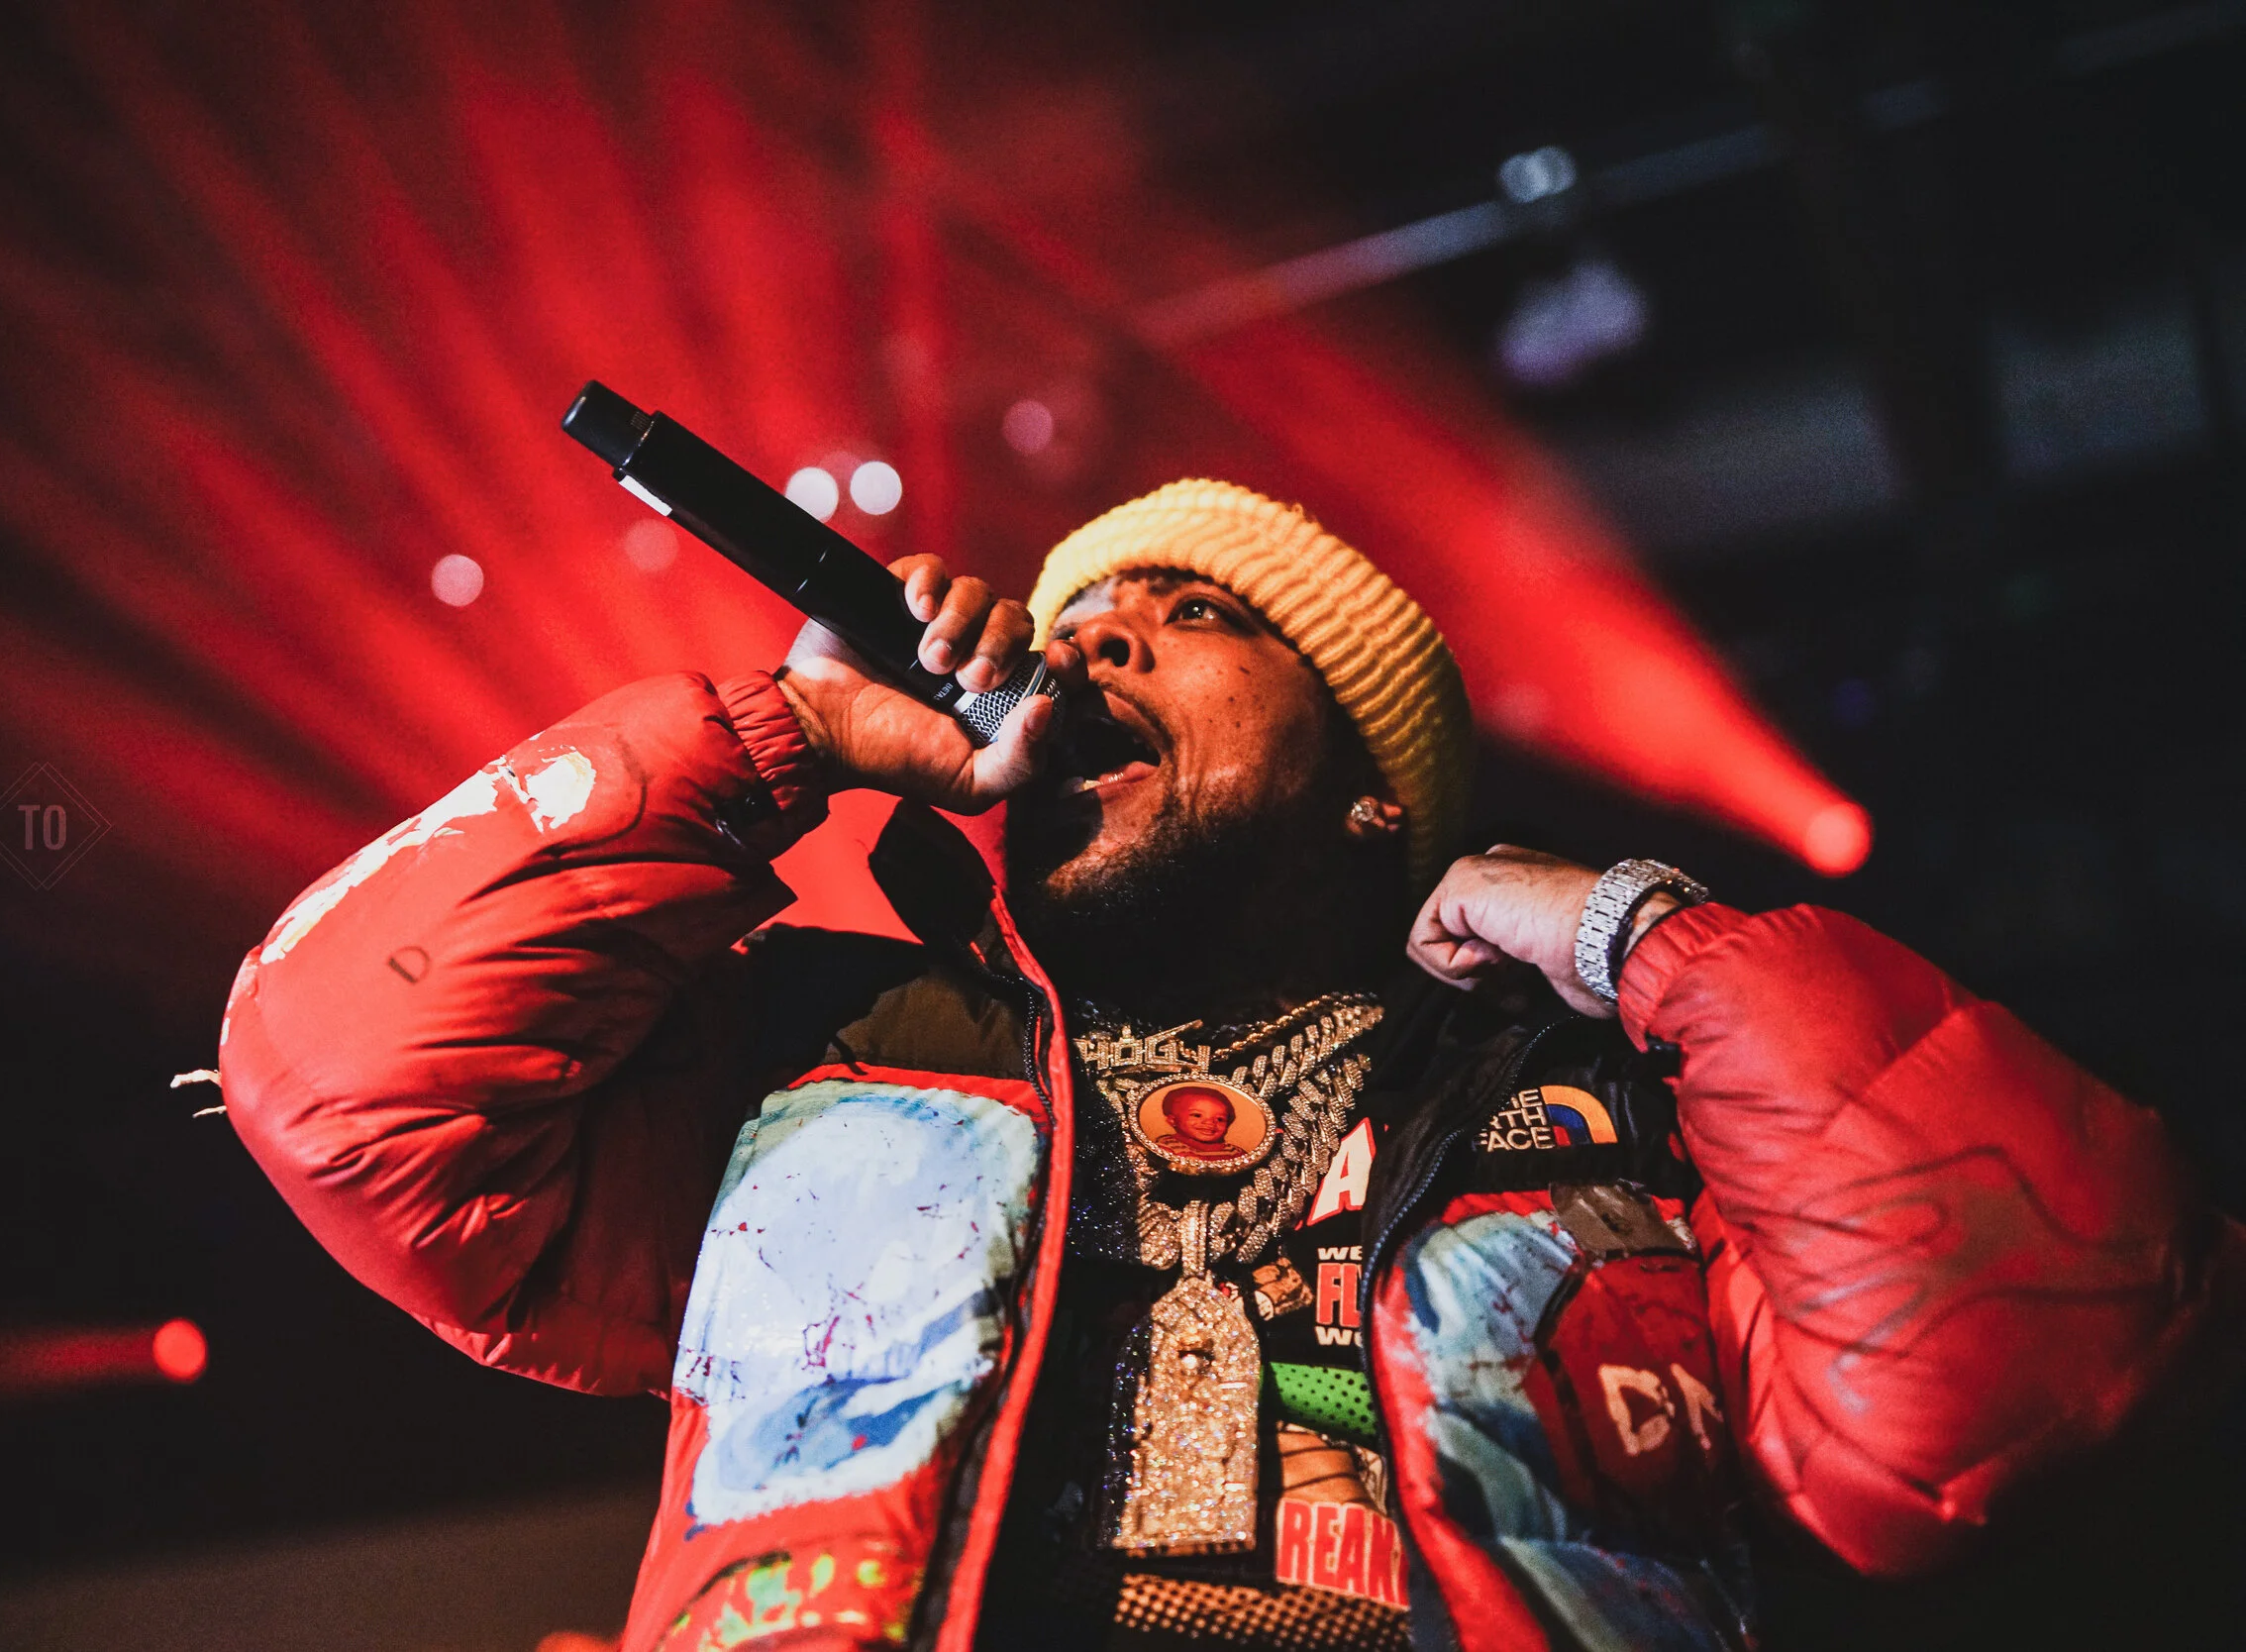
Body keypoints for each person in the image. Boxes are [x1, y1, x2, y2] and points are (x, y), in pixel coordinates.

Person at [218, 480, 2241, 1652]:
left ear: (1376, 797)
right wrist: (792, 742)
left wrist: (1632, 937)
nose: (1091, 648)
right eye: (1073, 621)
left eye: (1185, 622)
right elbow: (350, 1083)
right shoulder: (808, 1055)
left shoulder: (1620, 1120)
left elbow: (2017, 1358)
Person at [1150, 1085, 1251, 1164]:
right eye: (1197, 1115)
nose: (1209, 1122)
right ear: (1172, 1120)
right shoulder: (1167, 1146)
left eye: (1220, 1119)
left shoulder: (1233, 1152)